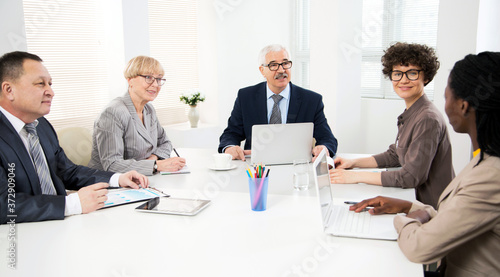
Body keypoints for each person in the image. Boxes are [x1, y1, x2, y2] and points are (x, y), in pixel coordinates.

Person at [349, 52, 500, 276]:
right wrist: (411, 207)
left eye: (446, 95)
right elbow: (461, 216)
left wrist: (403, 219)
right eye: (397, 73)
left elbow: (418, 248)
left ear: (464, 106)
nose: (403, 79)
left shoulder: (490, 176)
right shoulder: (483, 158)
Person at [0, 51, 149, 224]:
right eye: (41, 84)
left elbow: (66, 171)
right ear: (9, 90)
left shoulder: (40, 125)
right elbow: (3, 205)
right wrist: (71, 204)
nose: (51, 92)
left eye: (50, 83)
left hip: (60, 225)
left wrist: (117, 178)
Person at [330, 42, 455, 208]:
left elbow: (411, 177)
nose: (403, 80)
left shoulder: (427, 119)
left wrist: (355, 177)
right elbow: (395, 154)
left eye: (412, 73)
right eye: (397, 74)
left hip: (433, 208)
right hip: (415, 201)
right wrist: (353, 163)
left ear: (426, 77)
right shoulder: (413, 112)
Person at [218, 44, 338, 160]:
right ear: (262, 70)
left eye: (285, 63)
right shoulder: (246, 97)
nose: (281, 70)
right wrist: (230, 148)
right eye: (273, 65)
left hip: (295, 166)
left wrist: (324, 148)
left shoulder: (311, 100)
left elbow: (328, 139)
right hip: (257, 168)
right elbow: (231, 134)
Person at [88, 56, 185, 176]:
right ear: (130, 80)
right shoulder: (112, 113)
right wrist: (156, 165)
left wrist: (153, 159)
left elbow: (165, 143)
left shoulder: (148, 109)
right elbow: (112, 165)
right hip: (110, 184)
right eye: (148, 77)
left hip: (142, 178)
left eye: (159, 79)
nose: (155, 84)